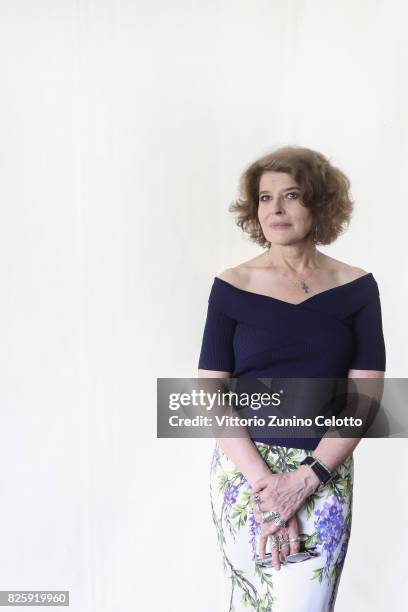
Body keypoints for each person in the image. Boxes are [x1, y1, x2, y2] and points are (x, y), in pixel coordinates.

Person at [197, 145, 386, 612]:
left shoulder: (357, 288)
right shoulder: (231, 286)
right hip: (245, 474)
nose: (275, 209)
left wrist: (306, 479)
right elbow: (210, 388)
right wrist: (267, 488)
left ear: (319, 203)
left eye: (292, 195)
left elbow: (365, 395)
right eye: (264, 198)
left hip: (321, 471)